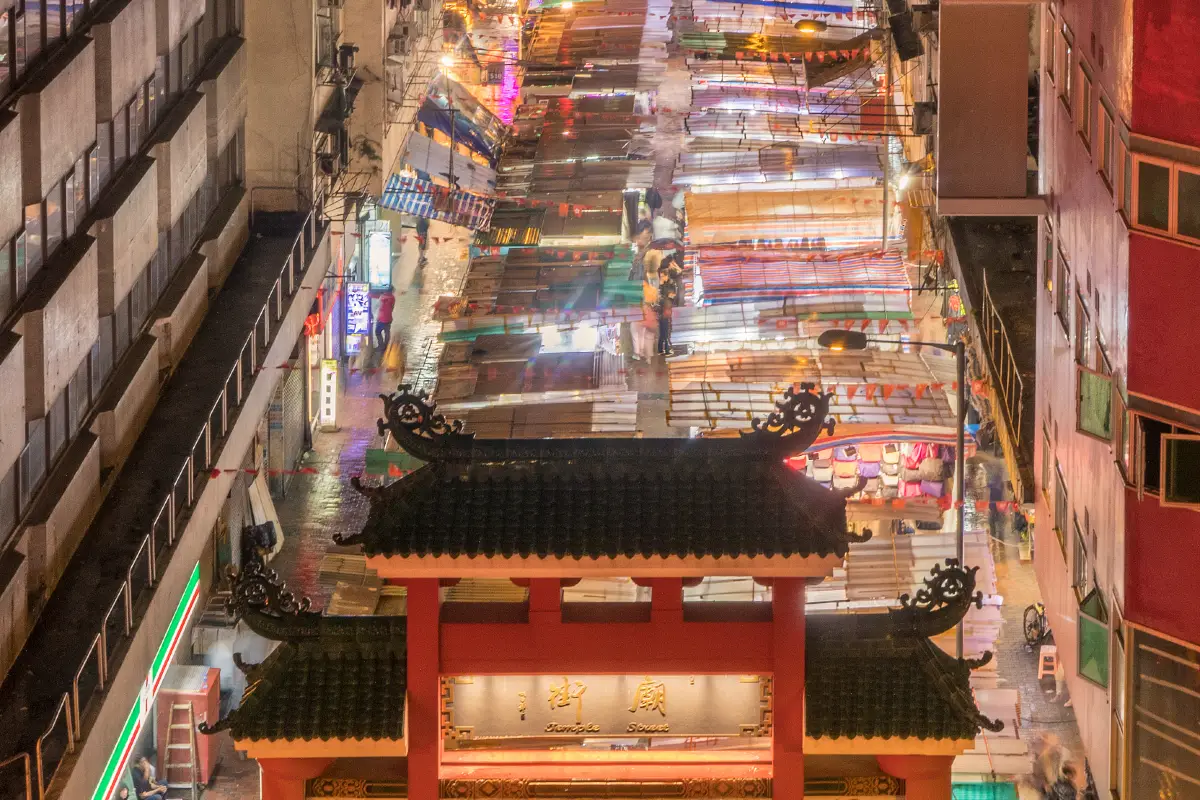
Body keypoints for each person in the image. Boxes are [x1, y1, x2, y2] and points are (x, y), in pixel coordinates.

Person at [375, 285, 396, 352]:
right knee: (387, 332)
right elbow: (392, 307)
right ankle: (386, 346)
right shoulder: (392, 298)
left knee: (377, 332)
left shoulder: (381, 297)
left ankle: (381, 346)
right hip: (389, 318)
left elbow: (377, 306)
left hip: (381, 319)